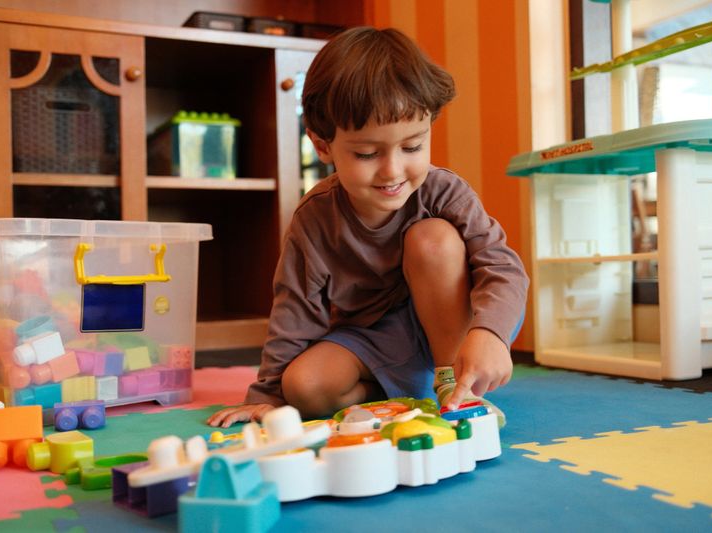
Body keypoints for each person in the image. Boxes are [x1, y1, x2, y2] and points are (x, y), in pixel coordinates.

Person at [207, 26, 528, 428]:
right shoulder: (315, 218)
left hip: (446, 327)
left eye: (412, 147)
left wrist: (492, 333)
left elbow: (502, 266)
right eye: (366, 153)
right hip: (369, 340)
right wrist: (268, 394)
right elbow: (295, 306)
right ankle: (400, 394)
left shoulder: (446, 192)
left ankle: (451, 386)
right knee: (304, 387)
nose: (393, 171)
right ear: (323, 147)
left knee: (434, 239)